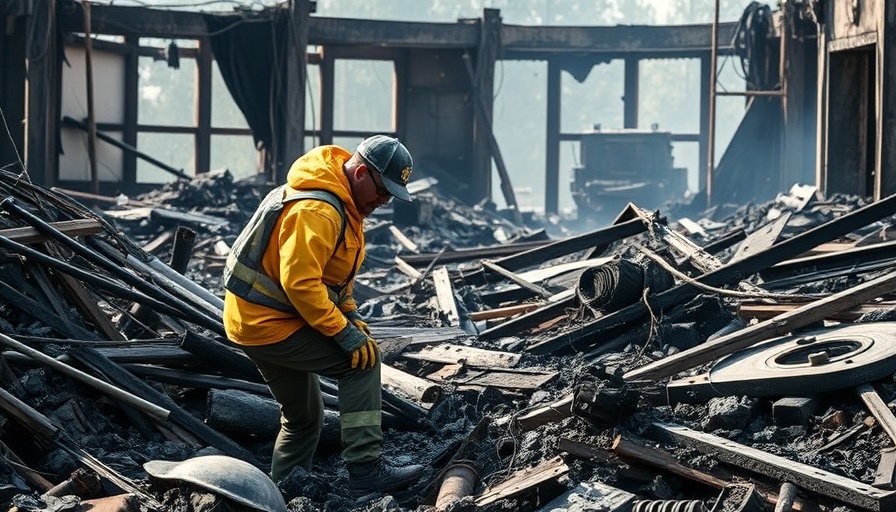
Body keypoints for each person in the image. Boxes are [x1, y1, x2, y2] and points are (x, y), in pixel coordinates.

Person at [222, 135, 423, 497]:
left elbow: (331, 276)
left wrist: (350, 315)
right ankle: (366, 468)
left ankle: (283, 493)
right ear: (361, 172)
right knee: (361, 363)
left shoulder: (342, 200)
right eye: (383, 191)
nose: (385, 201)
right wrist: (342, 333)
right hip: (269, 323)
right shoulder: (318, 211)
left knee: (304, 419)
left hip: (258, 319)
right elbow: (299, 283)